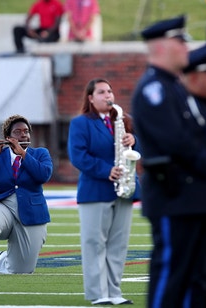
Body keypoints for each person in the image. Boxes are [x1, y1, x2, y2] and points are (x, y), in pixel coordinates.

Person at [131, 16, 206, 308]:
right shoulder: (153, 89)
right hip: (174, 197)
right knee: (171, 277)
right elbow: (175, 140)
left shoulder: (174, 87)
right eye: (180, 41)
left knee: (195, 279)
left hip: (193, 198)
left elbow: (196, 132)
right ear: (162, 46)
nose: (185, 48)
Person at [67, 78, 139, 305]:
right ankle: (98, 294)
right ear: (90, 98)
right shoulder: (80, 123)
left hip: (124, 189)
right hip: (96, 189)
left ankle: (114, 292)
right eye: (101, 92)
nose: (108, 96)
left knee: (119, 244)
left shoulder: (125, 120)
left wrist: (134, 140)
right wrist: (106, 170)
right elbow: (78, 156)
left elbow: (145, 148)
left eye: (110, 91)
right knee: (94, 243)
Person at [0, 114, 53, 276]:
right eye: (18, 131)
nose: (23, 134)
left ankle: (3, 258)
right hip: (3, 206)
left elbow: (43, 175)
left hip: (31, 211)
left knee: (22, 270)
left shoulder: (40, 154)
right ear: (8, 137)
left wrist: (23, 154)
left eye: (26, 131)